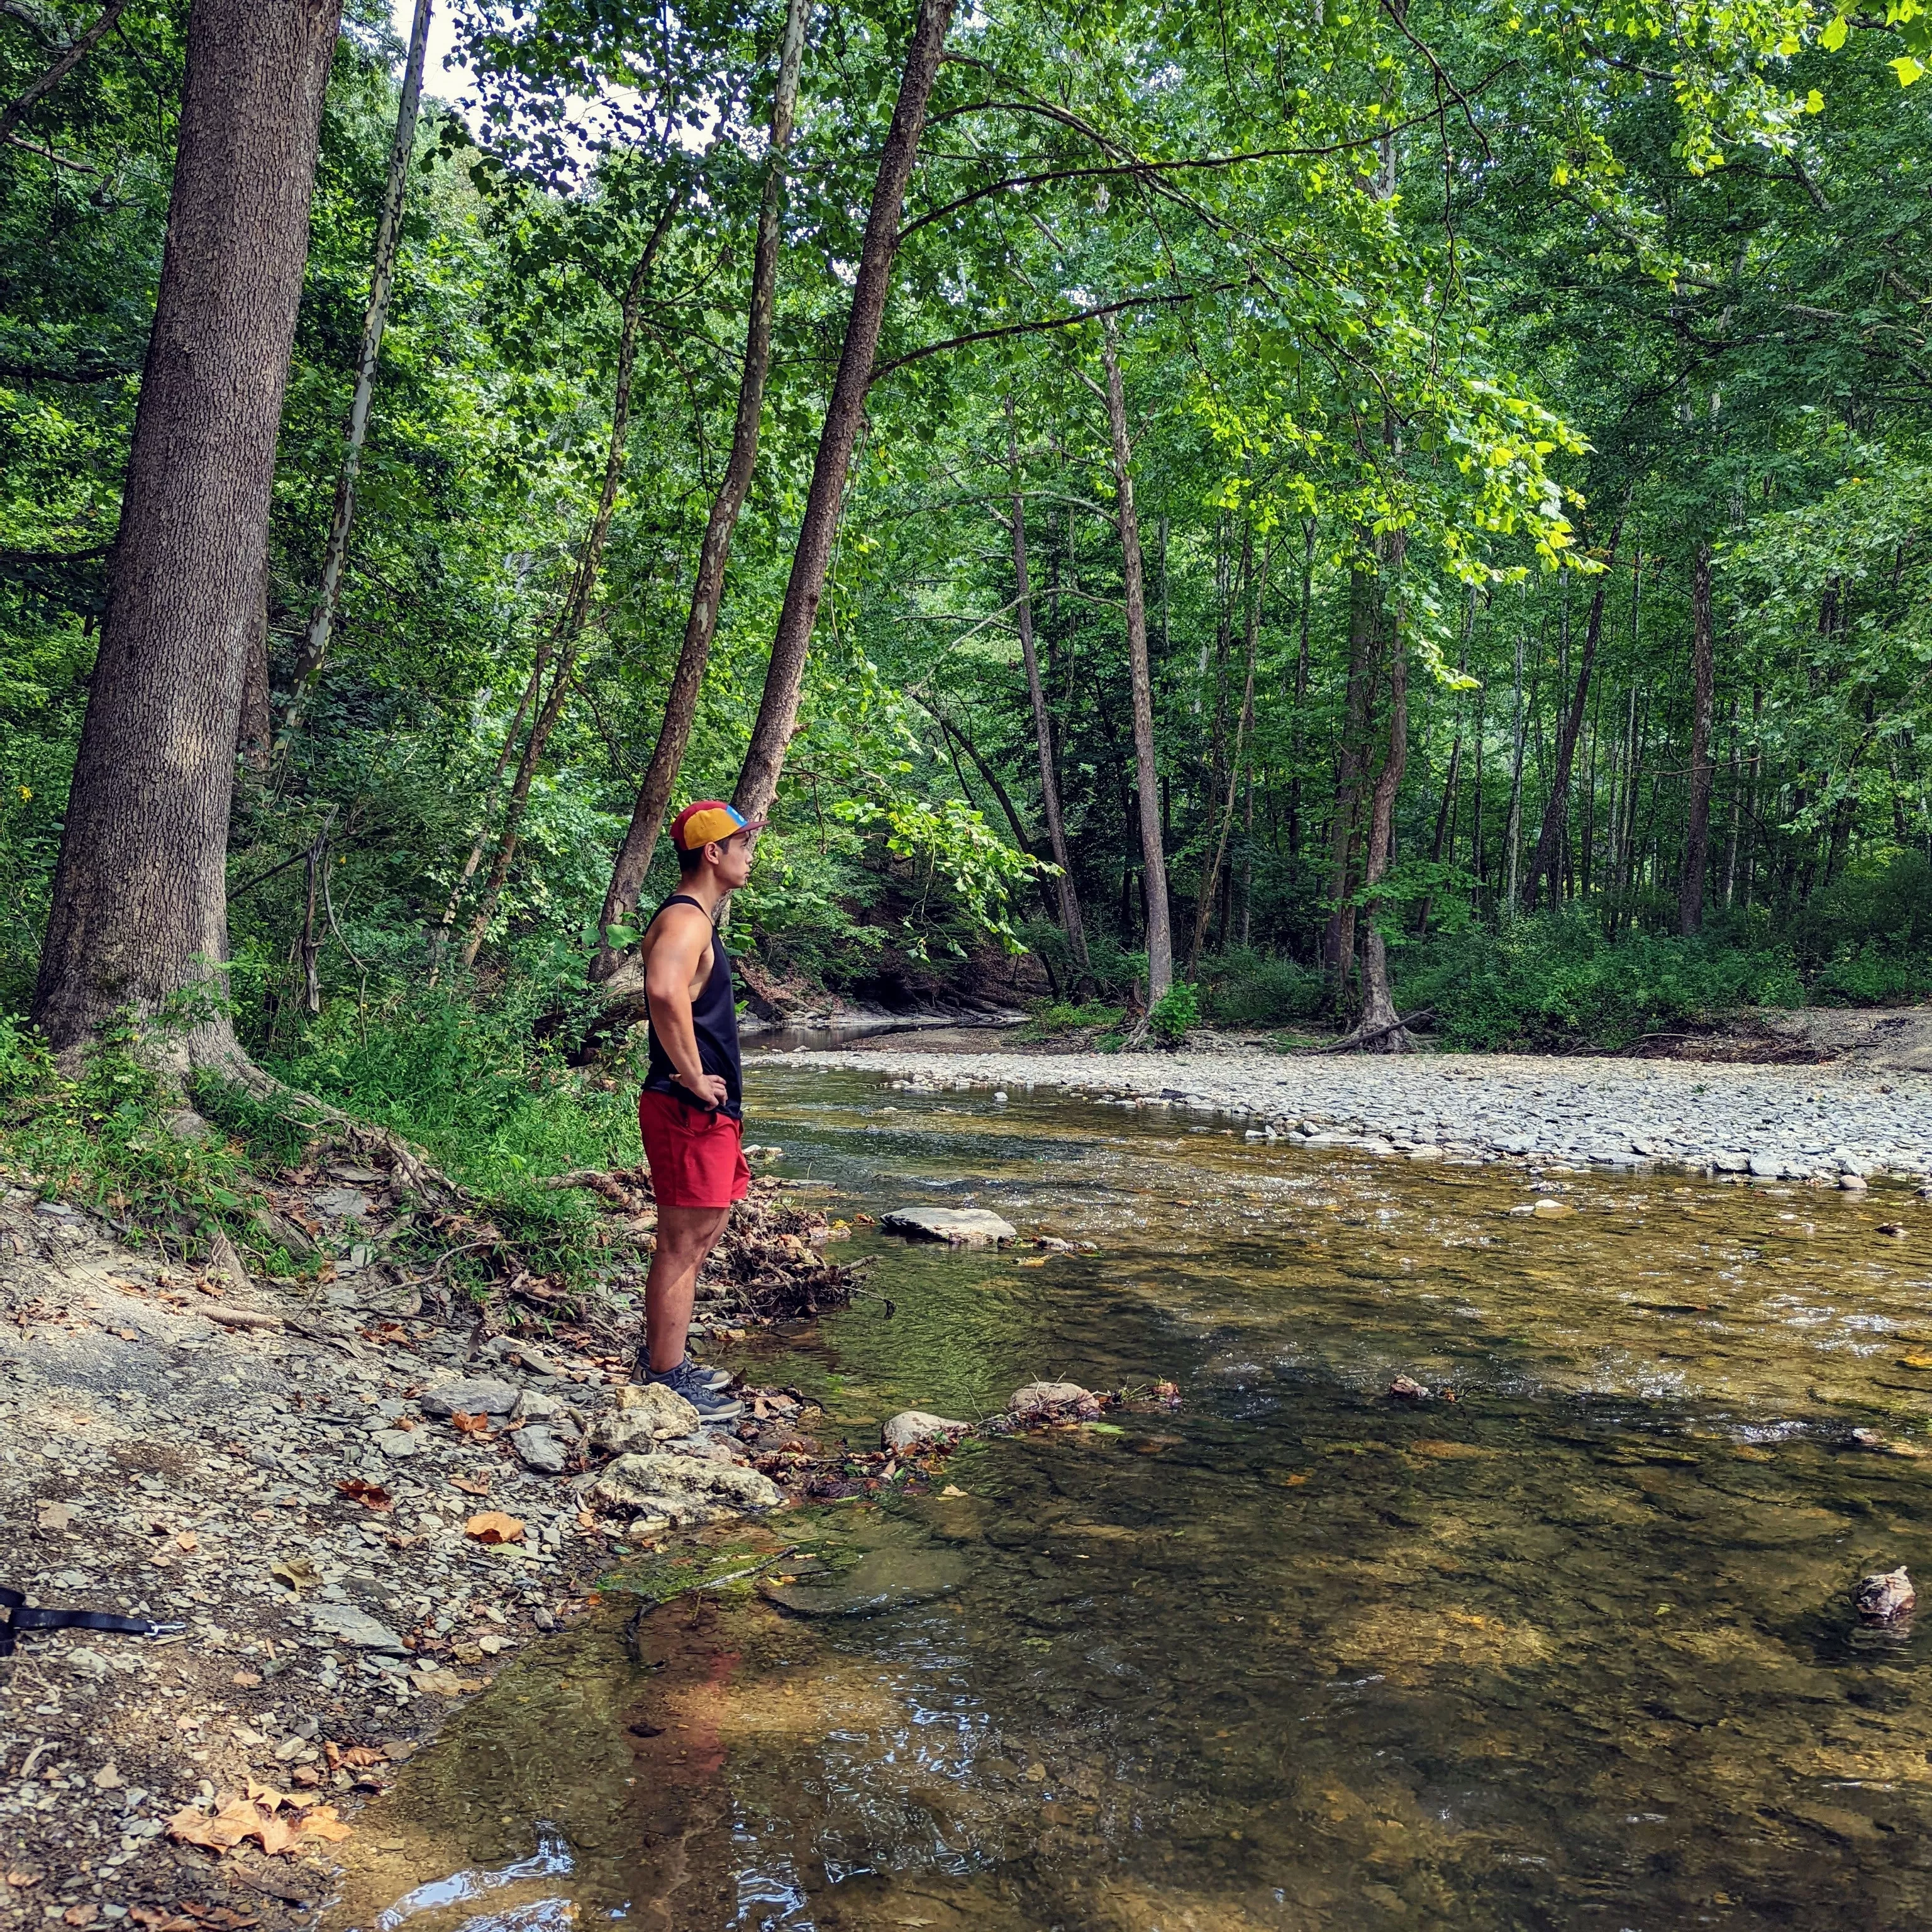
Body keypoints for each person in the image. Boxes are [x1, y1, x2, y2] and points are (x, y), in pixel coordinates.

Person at [631, 800, 763, 1421]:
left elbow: (674, 994)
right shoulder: (688, 921)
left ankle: (668, 1359)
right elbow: (660, 990)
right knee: (682, 1245)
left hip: (703, 1114)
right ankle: (663, 1376)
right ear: (713, 853)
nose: (749, 855)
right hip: (688, 1111)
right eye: (742, 845)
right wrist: (691, 1077)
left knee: (698, 1237)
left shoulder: (695, 920)